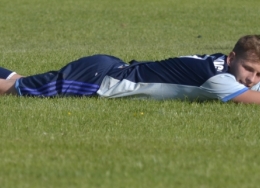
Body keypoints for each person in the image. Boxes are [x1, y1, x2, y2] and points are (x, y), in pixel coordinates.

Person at [2, 34, 260, 104]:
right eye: (248, 69)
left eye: (258, 74)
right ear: (231, 58)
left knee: (25, 83)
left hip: (109, 68)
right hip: (99, 80)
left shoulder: (221, 66)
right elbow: (252, 99)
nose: (251, 79)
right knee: (15, 90)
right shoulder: (217, 80)